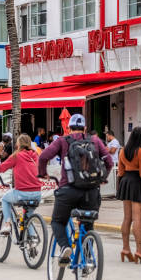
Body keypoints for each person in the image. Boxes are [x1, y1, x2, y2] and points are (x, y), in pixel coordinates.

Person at [38, 114, 113, 266]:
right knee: (88, 225)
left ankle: (65, 247)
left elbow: (43, 157)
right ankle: (86, 260)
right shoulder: (95, 140)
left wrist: (43, 173)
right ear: (85, 128)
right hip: (91, 192)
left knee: (58, 222)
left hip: (68, 190)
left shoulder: (62, 141)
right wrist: (102, 178)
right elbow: (109, 162)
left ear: (68, 128)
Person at [0, 134, 42, 235]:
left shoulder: (17, 155)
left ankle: (7, 224)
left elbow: (3, 166)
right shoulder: (35, 155)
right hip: (37, 193)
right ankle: (33, 240)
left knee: (5, 199)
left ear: (18, 144)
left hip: (22, 193)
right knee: (28, 217)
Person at [116, 127, 141, 264]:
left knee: (127, 218)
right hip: (137, 183)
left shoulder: (122, 151)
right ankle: (139, 251)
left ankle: (125, 248)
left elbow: (120, 172)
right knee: (137, 219)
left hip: (126, 182)